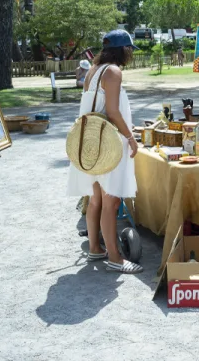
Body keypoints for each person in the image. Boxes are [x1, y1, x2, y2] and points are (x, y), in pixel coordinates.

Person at [67, 29, 142, 274]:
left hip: (92, 143)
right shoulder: (113, 72)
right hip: (108, 143)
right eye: (130, 49)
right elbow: (112, 111)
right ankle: (115, 258)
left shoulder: (93, 71)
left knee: (96, 198)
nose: (131, 54)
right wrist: (131, 138)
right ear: (123, 50)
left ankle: (95, 248)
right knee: (111, 200)